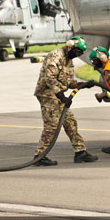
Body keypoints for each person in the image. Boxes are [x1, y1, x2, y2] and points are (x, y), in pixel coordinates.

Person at [33, 36, 98, 166]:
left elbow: (67, 81)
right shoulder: (55, 56)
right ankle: (40, 155)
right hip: (47, 94)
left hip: (57, 94)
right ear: (70, 47)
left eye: (80, 53)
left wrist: (82, 84)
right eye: (77, 52)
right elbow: (49, 78)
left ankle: (80, 152)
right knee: (52, 125)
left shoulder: (69, 60)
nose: (78, 55)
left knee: (70, 122)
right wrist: (61, 96)